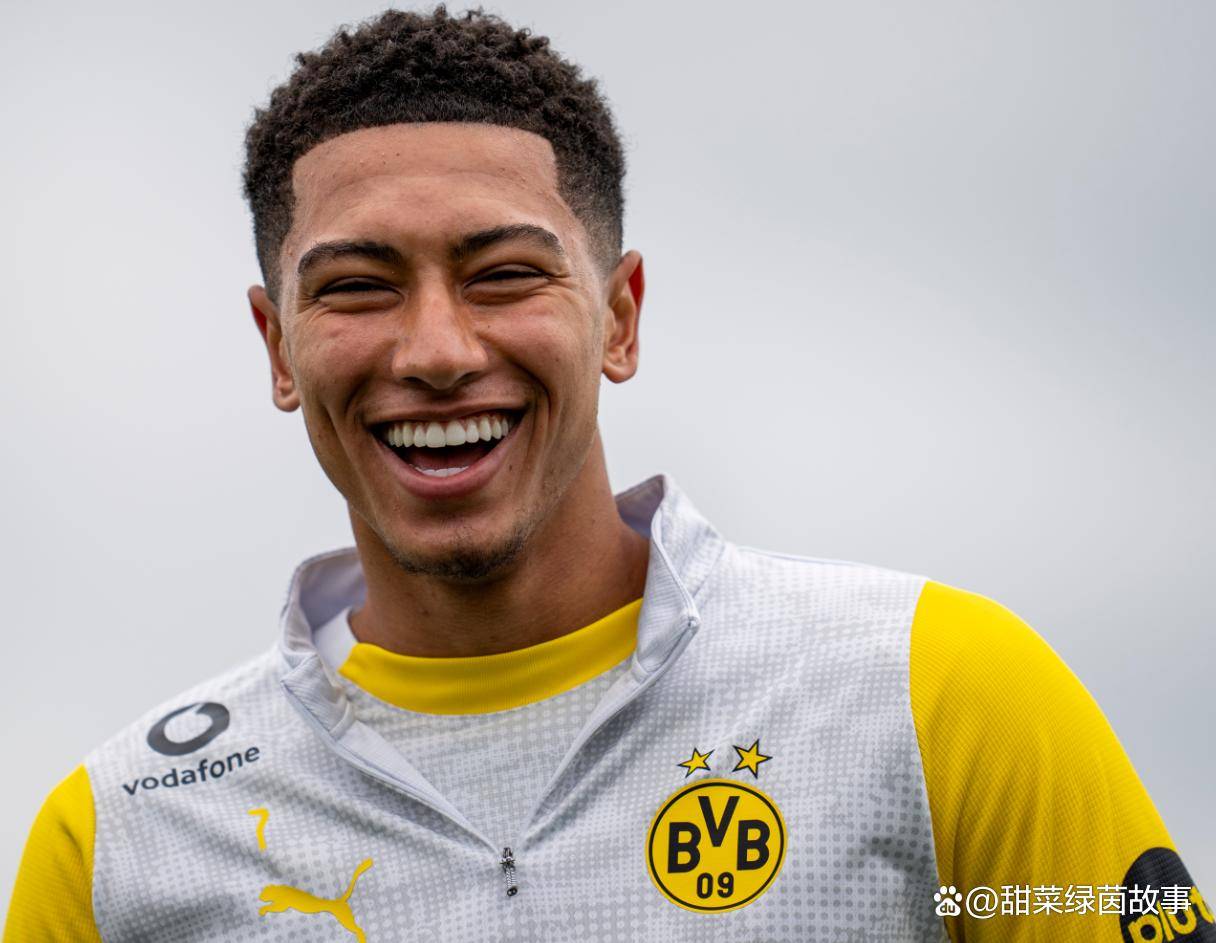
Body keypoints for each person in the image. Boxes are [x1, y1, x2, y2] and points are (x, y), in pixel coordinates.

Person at [5, 6, 1209, 942]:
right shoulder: (118, 841)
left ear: (619, 317)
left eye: (504, 275)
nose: (436, 351)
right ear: (278, 347)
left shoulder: (935, 692)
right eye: (358, 288)